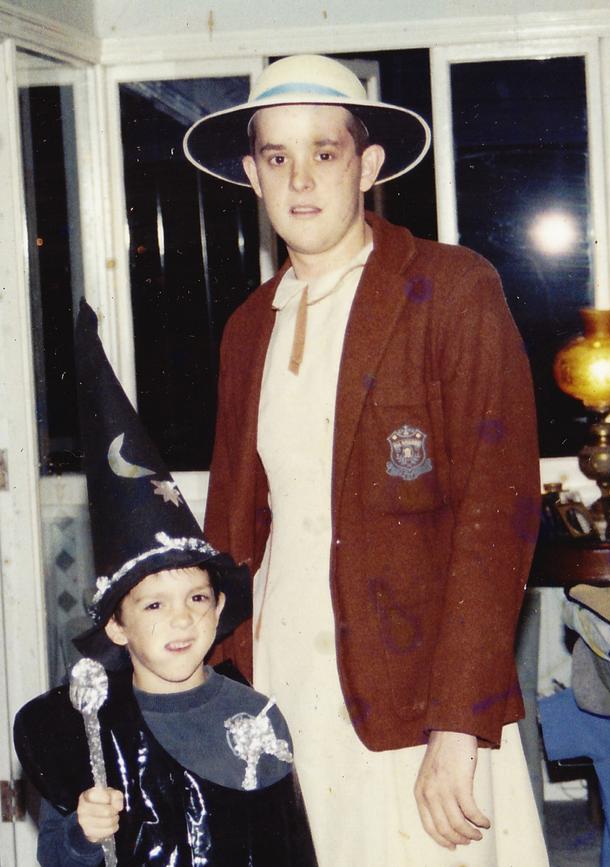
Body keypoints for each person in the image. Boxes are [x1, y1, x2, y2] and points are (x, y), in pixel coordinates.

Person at [184, 53, 548, 865]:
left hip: (416, 688)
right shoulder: (250, 326)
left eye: (326, 152)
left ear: (369, 165)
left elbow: (497, 521)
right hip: (285, 678)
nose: (301, 179)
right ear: (252, 173)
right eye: (278, 157)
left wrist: (458, 723)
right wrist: (208, 691)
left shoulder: (451, 290)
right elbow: (233, 526)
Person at [13, 299, 317, 866]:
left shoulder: (255, 718)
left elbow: (293, 849)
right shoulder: (80, 734)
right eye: (153, 604)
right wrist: (84, 833)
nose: (181, 618)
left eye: (197, 597)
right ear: (116, 625)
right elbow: (57, 861)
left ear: (220, 605)